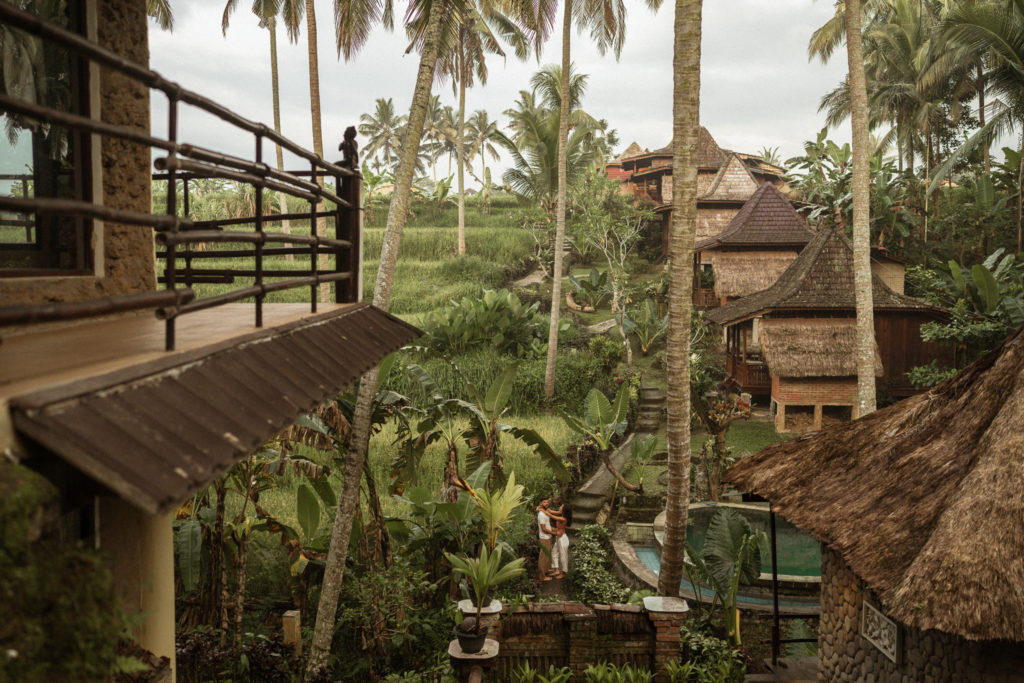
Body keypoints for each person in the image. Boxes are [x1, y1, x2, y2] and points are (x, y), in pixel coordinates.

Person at [547, 499, 570, 579]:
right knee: (554, 552)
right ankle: (556, 569)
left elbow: (551, 516)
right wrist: (546, 508)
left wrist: (542, 510)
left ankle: (564, 572)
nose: (560, 507)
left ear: (563, 510)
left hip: (563, 539)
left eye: (561, 506)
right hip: (558, 538)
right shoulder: (561, 514)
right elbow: (551, 511)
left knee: (563, 556)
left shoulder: (563, 519)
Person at [536, 499, 555, 581]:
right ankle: (542, 577)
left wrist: (554, 529)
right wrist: (554, 533)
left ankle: (546, 569)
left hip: (548, 536)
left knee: (548, 554)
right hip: (544, 537)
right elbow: (544, 529)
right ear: (541, 503)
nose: (546, 503)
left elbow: (548, 525)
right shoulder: (541, 514)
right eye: (544, 502)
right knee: (543, 557)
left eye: (547, 502)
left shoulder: (545, 512)